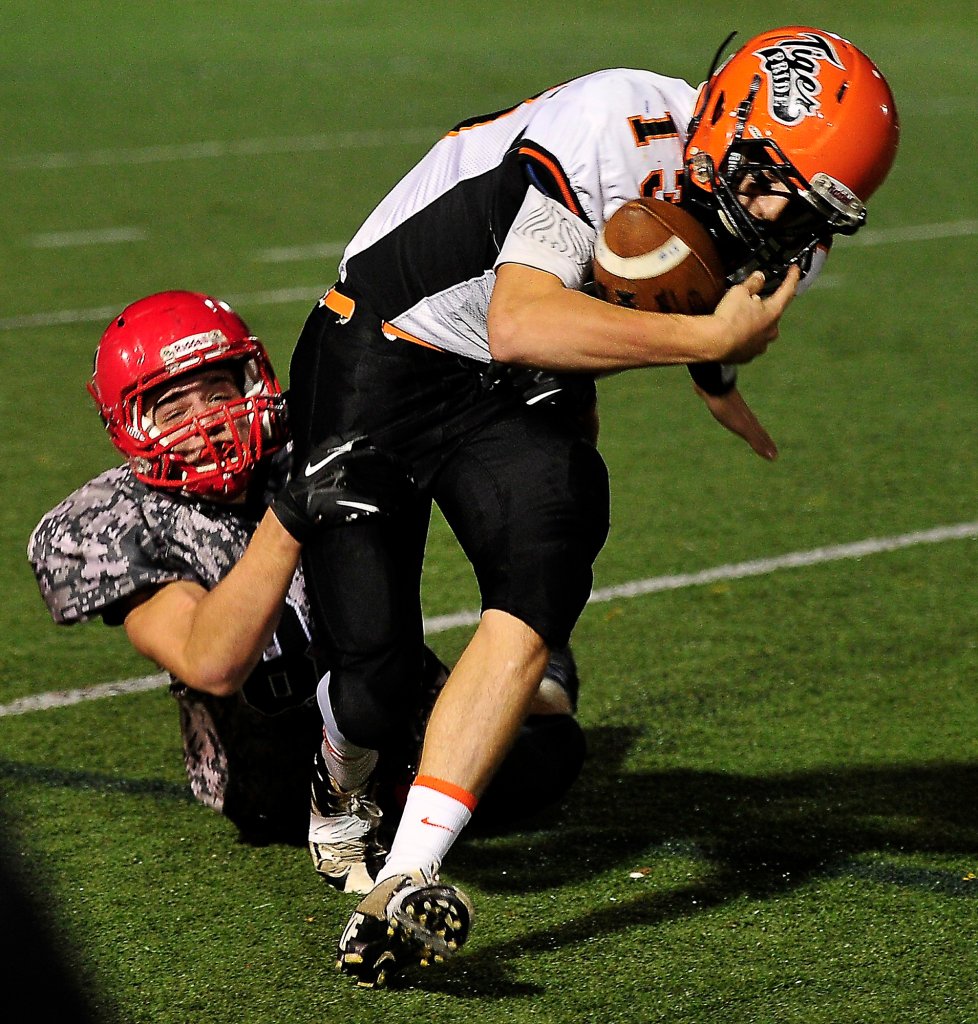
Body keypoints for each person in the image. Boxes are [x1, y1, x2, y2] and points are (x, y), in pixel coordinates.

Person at [277, 24, 899, 985]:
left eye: (813, 208)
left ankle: (402, 880)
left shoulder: (782, 223)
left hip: (510, 381)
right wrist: (704, 346)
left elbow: (700, 294)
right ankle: (339, 777)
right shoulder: (615, 122)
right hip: (385, 345)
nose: (783, 220)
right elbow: (519, 317)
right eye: (775, 182)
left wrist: (719, 376)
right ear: (727, 117)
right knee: (374, 671)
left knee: (547, 557)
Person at [26, 290, 588, 887]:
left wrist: (518, 401)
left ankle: (521, 678)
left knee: (550, 746)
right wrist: (291, 514)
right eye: (174, 409)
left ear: (253, 380)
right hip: (268, 758)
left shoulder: (310, 435)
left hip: (388, 690)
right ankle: (398, 786)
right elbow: (211, 662)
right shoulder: (105, 521)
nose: (208, 421)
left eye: (219, 391)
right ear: (129, 424)